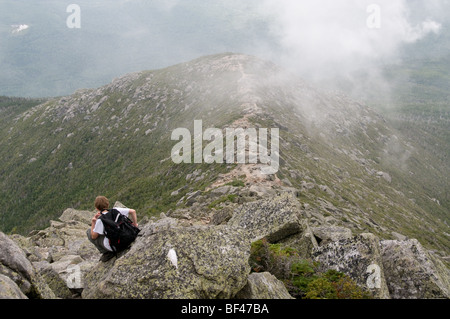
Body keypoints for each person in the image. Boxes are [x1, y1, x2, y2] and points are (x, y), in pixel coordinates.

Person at [87, 196, 139, 262]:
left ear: (97, 208)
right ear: (108, 204)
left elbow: (94, 236)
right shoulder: (115, 210)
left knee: (89, 232)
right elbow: (133, 211)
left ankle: (106, 252)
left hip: (116, 246)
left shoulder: (100, 220)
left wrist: (93, 222)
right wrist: (135, 225)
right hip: (128, 237)